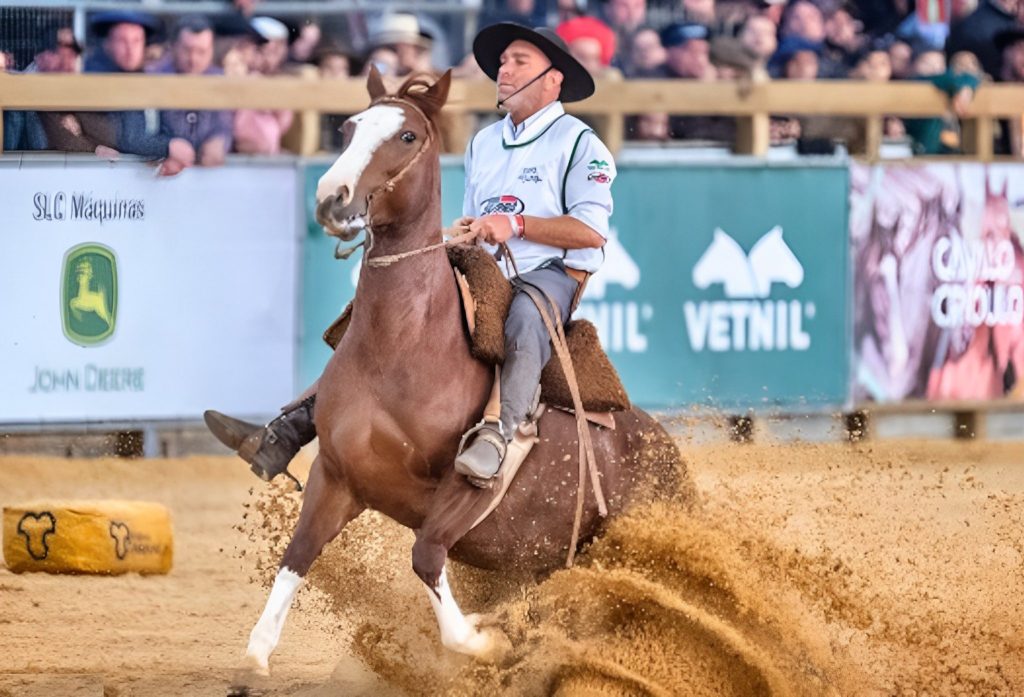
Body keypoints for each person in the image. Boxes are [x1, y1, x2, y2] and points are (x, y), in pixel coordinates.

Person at [204, 22, 616, 488]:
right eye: (503, 62)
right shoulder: (485, 141)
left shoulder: (581, 143)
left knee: (524, 318)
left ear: (553, 79)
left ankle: (500, 434)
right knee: (387, 308)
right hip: (487, 264)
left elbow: (592, 232)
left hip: (551, 272)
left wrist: (517, 225)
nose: (504, 69)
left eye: (520, 61)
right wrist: (467, 230)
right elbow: (476, 217)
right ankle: (290, 429)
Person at [82, 11, 196, 173]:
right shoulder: (99, 79)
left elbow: (161, 124)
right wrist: (168, 147)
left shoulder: (147, 80)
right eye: (122, 41)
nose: (130, 49)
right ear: (107, 44)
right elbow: (130, 139)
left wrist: (164, 153)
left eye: (137, 41)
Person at [149, 15, 233, 168]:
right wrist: (165, 147)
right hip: (156, 173)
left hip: (205, 177)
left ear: (211, 51)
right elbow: (144, 131)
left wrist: (220, 141)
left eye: (202, 51)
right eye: (187, 50)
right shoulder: (153, 77)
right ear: (173, 46)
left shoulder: (219, 80)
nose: (193, 59)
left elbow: (224, 125)